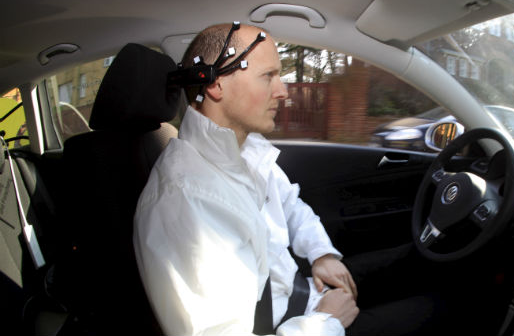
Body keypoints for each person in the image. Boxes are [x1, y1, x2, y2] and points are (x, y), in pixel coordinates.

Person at [134, 22, 444, 336]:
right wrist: (326, 321)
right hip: (297, 325)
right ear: (216, 85)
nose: (283, 91)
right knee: (436, 310)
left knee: (420, 258)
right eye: (268, 76)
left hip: (300, 294)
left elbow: (290, 204)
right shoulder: (185, 199)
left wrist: (321, 253)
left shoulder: (246, 149)